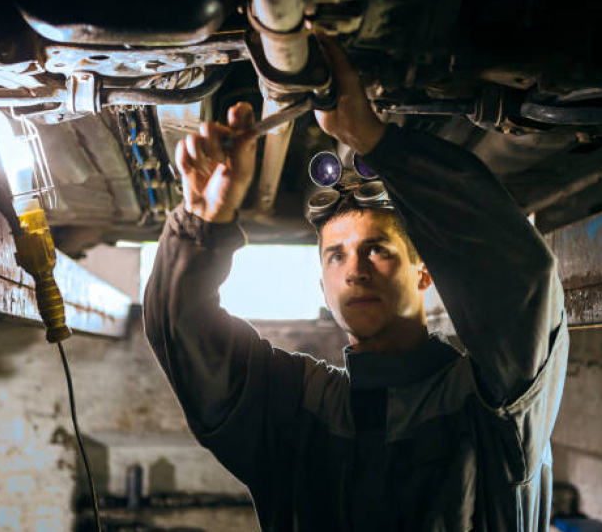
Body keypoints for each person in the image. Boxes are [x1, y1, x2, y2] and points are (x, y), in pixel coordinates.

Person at [144, 37, 568, 532]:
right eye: (337, 255)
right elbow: (182, 335)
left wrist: (379, 142)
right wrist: (202, 221)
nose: (356, 269)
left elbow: (521, 280)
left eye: (379, 250)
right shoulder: (299, 408)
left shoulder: (492, 401)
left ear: (423, 272)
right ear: (323, 288)